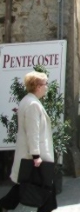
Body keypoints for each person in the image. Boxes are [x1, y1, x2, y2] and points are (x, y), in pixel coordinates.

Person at [0, 71, 57, 212]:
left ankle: (4, 205)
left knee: (30, 185)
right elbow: (33, 132)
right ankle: (4, 205)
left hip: (32, 154)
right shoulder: (32, 105)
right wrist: (36, 156)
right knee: (42, 185)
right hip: (35, 155)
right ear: (38, 86)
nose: (47, 87)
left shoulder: (29, 101)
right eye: (45, 84)